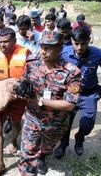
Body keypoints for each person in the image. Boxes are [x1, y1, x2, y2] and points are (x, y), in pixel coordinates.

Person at [19, 31, 81, 175]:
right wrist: (21, 88)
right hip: (32, 118)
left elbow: (70, 104)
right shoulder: (31, 63)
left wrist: (40, 100)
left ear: (59, 48)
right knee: (27, 154)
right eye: (42, 46)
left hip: (56, 123)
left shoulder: (71, 72)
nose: (43, 51)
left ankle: (43, 156)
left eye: (48, 48)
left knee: (47, 147)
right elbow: (23, 81)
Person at [54, 26, 101, 159]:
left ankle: (79, 137)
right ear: (71, 41)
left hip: (89, 93)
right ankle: (63, 144)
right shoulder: (63, 53)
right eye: (76, 44)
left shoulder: (99, 54)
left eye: (83, 44)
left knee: (88, 125)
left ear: (89, 40)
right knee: (65, 123)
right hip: (68, 94)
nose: (79, 47)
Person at [0, 27, 30, 176]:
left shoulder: (25, 53)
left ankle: (13, 141)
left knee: (16, 123)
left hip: (17, 99)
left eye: (6, 42)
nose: (2, 45)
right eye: (0, 42)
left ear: (14, 41)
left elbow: (30, 79)